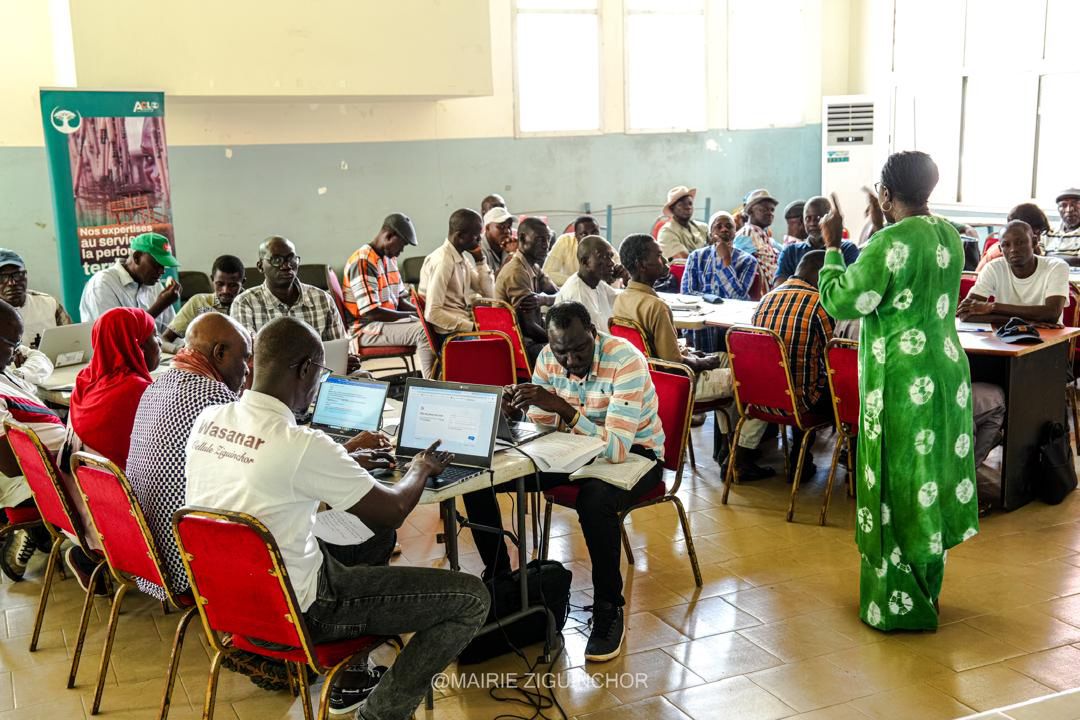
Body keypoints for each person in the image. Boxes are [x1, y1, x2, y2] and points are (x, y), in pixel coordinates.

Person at [185, 316, 488, 719]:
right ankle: (380, 714)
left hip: (231, 606)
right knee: (470, 599)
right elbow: (395, 509)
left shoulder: (208, 421)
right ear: (307, 370)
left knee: (369, 533)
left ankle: (353, 674)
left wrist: (340, 461)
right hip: (307, 610)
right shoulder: (301, 443)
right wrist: (420, 467)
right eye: (321, 373)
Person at [817, 150, 978, 631]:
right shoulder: (949, 233)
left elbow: (843, 298)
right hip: (947, 374)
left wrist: (831, 246)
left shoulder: (888, 243)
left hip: (902, 383)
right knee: (929, 480)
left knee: (896, 484)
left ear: (886, 196)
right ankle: (927, 590)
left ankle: (897, 605)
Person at [463, 302, 665, 662]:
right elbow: (544, 427)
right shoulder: (547, 357)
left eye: (579, 349)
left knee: (595, 499)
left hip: (637, 455)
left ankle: (608, 607)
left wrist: (562, 407)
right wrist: (519, 413)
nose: (570, 360)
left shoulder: (626, 360)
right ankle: (501, 584)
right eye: (561, 351)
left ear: (592, 331)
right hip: (573, 449)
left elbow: (617, 449)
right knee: (479, 478)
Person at [62, 307, 160, 588]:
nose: (160, 345)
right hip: (115, 520)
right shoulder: (135, 391)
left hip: (82, 509)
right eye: (153, 337)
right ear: (136, 346)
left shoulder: (86, 379)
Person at [738, 251, 835, 482]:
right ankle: (800, 460)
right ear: (821, 274)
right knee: (838, 392)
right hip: (801, 402)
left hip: (762, 398)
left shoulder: (765, 300)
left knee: (800, 376)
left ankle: (743, 458)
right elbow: (832, 356)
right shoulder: (820, 305)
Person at [0, 299, 63, 580]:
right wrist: (63, 456)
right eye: (12, 345)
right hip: (25, 480)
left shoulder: (8, 374)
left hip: (47, 466)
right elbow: (12, 466)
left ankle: (43, 533)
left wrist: (22, 357)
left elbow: (41, 361)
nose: (16, 353)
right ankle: (84, 554)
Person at [343, 213, 435, 377]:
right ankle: (432, 383)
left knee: (431, 322)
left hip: (384, 324)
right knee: (422, 331)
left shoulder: (388, 258)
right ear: (389, 236)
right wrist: (415, 316)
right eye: (402, 245)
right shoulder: (363, 260)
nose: (401, 251)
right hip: (365, 329)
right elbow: (371, 312)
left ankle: (439, 374)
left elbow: (400, 302)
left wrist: (421, 313)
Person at [230, 236, 345, 341]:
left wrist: (347, 359)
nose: (287, 266)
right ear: (260, 267)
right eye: (277, 260)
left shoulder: (322, 299)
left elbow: (339, 348)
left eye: (291, 258)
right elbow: (247, 356)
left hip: (319, 364)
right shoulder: (244, 303)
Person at [958, 220, 1069, 324]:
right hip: (1006, 335)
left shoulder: (1056, 266)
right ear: (1000, 249)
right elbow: (965, 314)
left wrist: (993, 307)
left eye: (1020, 243)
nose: (1013, 249)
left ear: (1034, 242)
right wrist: (1027, 322)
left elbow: (1052, 314)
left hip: (1050, 336)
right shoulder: (994, 268)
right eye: (1006, 245)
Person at [680, 211, 758, 354]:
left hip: (731, 321)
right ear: (711, 233)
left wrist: (725, 261)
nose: (724, 229)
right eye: (718, 226)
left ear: (735, 232)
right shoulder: (696, 257)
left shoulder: (748, 261)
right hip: (700, 320)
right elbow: (687, 294)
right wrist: (715, 302)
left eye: (729, 226)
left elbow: (738, 297)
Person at [79, 232, 182, 334]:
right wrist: (160, 305)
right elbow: (116, 338)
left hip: (158, 350)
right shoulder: (103, 284)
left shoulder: (154, 285)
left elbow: (170, 333)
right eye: (157, 265)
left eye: (164, 266)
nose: (162, 271)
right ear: (136, 257)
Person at [419, 209, 495, 338]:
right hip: (451, 333)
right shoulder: (444, 262)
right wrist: (472, 327)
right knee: (499, 345)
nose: (480, 239)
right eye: (476, 235)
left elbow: (488, 294)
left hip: (461, 323)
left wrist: (480, 261)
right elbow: (432, 313)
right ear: (460, 236)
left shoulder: (461, 258)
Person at [495, 218, 558, 365]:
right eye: (540, 240)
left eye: (548, 239)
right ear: (522, 238)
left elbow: (559, 294)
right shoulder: (517, 271)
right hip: (522, 347)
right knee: (572, 352)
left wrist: (544, 299)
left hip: (530, 342)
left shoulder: (532, 267)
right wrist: (558, 342)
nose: (546, 245)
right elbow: (529, 327)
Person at [162, 254, 245, 343]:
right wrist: (178, 351)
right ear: (212, 279)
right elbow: (165, 338)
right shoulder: (198, 302)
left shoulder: (251, 304)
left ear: (242, 282)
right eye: (220, 284)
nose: (225, 291)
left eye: (232, 285)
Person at [775, 196, 860, 284]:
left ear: (830, 219)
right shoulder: (791, 251)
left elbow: (851, 283)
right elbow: (779, 285)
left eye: (818, 218)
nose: (812, 223)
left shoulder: (847, 249)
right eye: (808, 218)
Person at [553, 235, 626, 332]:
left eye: (610, 257)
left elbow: (620, 299)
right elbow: (592, 338)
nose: (611, 263)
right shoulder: (577, 293)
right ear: (585, 262)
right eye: (603, 257)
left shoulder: (596, 282)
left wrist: (628, 279)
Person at [0, 249, 71, 349]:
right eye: (2, 277)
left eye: (17, 275)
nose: (12, 283)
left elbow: (72, 341)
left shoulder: (49, 304)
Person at [544, 216, 617, 287]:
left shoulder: (607, 249)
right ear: (575, 235)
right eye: (584, 234)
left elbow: (616, 279)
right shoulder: (565, 241)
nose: (590, 237)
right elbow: (547, 273)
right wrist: (579, 282)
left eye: (594, 233)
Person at [976, 204, 1051, 272]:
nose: (1038, 239)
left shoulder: (1028, 249)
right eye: (1036, 233)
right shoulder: (1005, 255)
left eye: (1040, 233)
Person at [734, 189, 785, 288]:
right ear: (750, 211)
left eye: (772, 210)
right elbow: (741, 267)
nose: (769, 213)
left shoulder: (766, 237)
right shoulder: (746, 234)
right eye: (764, 209)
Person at [657, 186, 709, 260]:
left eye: (690, 204)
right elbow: (686, 260)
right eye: (682, 204)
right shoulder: (667, 232)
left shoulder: (703, 227)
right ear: (672, 209)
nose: (688, 207)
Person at [1042, 188, 1080, 266]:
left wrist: (1048, 256)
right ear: (1058, 209)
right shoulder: (1048, 232)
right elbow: (1036, 257)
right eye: (1064, 205)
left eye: (1075, 204)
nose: (1069, 210)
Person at [479, 206, 517, 276]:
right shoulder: (478, 249)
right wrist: (509, 261)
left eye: (509, 227)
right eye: (501, 227)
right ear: (487, 228)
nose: (507, 231)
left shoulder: (509, 245)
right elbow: (485, 285)